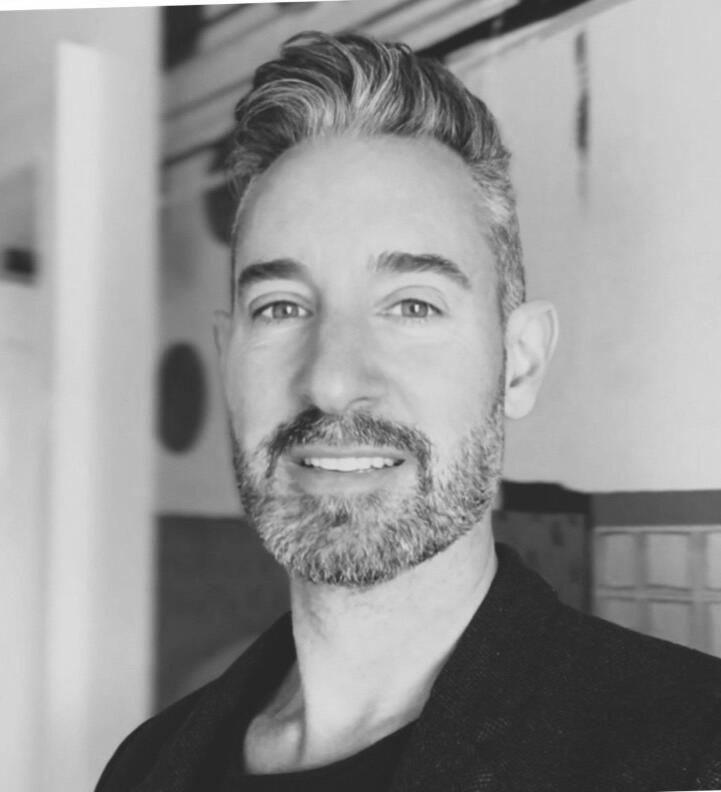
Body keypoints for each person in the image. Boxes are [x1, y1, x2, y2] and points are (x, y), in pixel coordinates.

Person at [96, 32, 721, 792]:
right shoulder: (143, 766)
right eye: (282, 306)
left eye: (412, 305)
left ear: (519, 362)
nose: (331, 381)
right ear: (230, 360)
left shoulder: (692, 748)